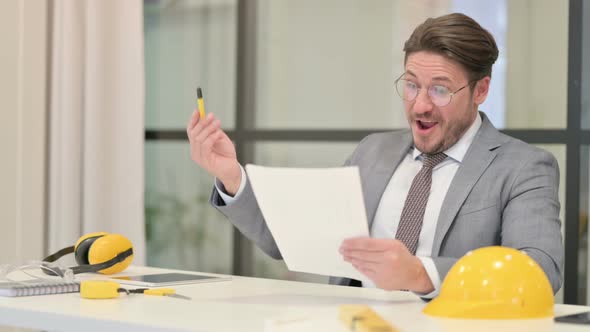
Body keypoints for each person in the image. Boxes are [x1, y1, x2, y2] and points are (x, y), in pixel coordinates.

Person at [186, 13, 563, 298]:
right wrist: (232, 175)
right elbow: (291, 241)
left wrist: (420, 274)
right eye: (412, 85)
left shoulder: (523, 167)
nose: (420, 105)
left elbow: (538, 271)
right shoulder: (373, 152)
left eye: (440, 90)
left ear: (480, 90)